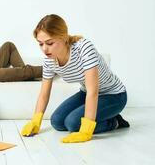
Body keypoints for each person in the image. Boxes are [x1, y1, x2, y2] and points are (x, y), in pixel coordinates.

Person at [21, 14, 129, 143]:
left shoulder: (84, 48)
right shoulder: (49, 60)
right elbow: (44, 94)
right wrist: (35, 121)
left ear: (63, 37)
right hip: (86, 93)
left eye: (49, 43)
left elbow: (93, 91)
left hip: (113, 95)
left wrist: (86, 130)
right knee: (57, 122)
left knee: (73, 124)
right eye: (40, 44)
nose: (45, 49)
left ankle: (114, 122)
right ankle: (102, 116)